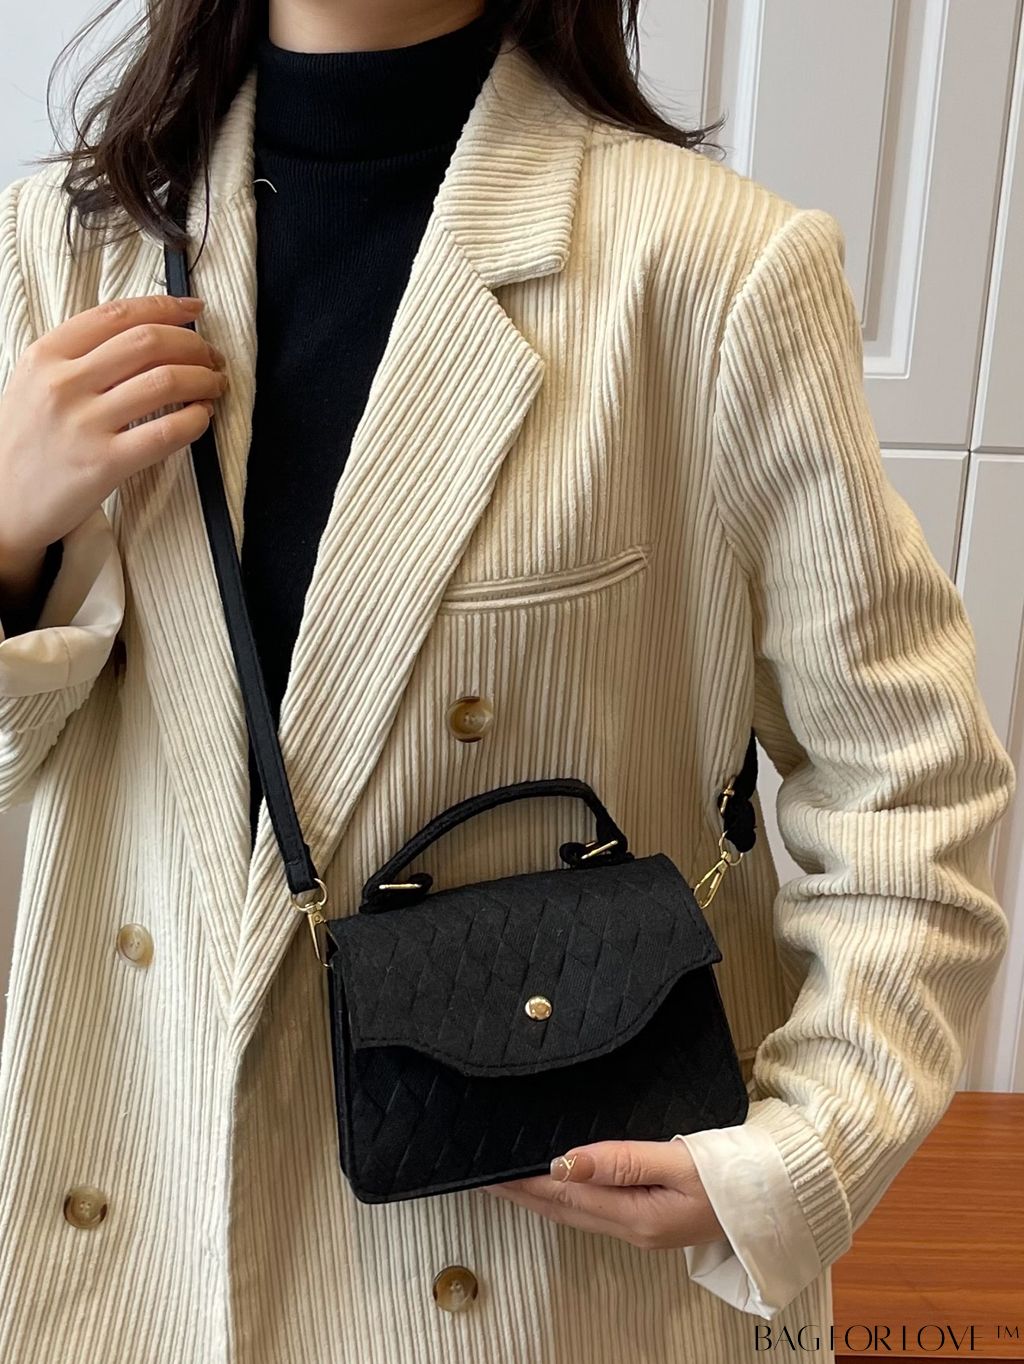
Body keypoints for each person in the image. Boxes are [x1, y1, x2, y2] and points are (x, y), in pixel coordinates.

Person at [0, 2, 1015, 1361]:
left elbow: (914, 782)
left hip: (540, 1257)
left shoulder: (709, 269)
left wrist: (797, 1158)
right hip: (140, 1224)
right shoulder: (59, 250)